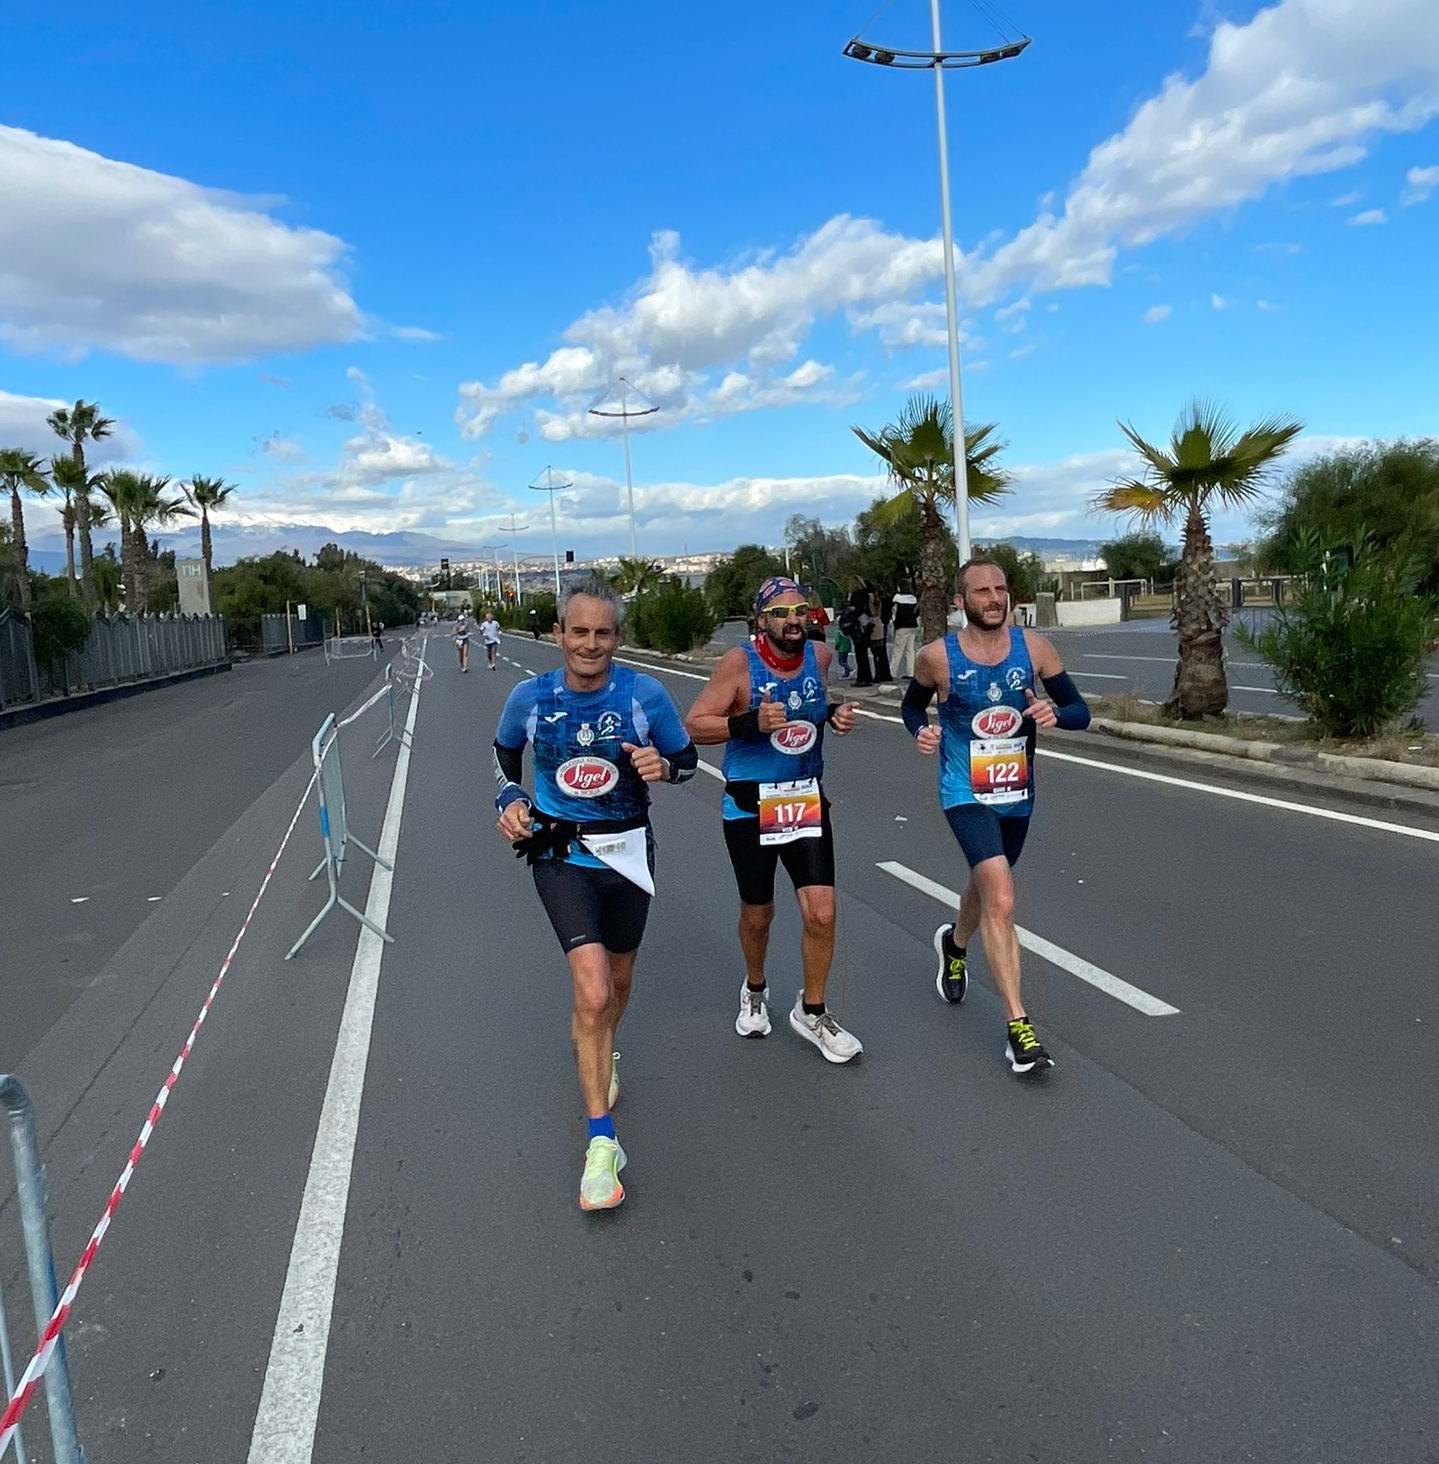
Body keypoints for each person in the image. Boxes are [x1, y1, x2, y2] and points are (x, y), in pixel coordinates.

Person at [493, 583, 698, 1211]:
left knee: (620, 981)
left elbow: (687, 759)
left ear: (617, 637)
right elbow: (504, 757)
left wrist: (666, 769)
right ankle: (602, 1145)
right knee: (593, 988)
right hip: (560, 853)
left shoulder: (645, 696)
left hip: (629, 854)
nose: (590, 644)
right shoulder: (530, 697)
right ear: (559, 634)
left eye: (602, 633)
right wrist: (509, 799)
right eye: (578, 632)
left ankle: (601, 1047)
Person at [900, 557, 1091, 1078]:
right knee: (1002, 898)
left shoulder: (1036, 649)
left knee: (989, 885)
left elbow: (1081, 712)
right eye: (981, 591)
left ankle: (954, 942)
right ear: (961, 601)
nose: (993, 598)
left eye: (1000, 589)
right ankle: (1019, 1028)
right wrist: (922, 731)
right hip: (964, 789)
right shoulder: (937, 658)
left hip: (1016, 792)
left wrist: (1056, 714)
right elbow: (913, 708)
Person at [684, 576, 863, 1063]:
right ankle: (756, 987)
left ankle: (813, 1011)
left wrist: (833, 715)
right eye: (780, 613)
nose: (792, 620)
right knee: (758, 916)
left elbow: (808, 708)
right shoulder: (740, 663)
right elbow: (694, 726)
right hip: (749, 806)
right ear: (762, 620)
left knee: (822, 912)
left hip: (805, 800)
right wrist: (748, 723)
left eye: (799, 610)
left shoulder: (819, 657)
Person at [840, 583, 872, 687]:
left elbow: (855, 610)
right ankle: (866, 677)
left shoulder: (856, 596)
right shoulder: (866, 595)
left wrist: (850, 611)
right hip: (865, 623)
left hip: (857, 626)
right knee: (863, 654)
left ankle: (862, 678)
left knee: (860, 654)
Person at [890, 579, 919, 679]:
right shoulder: (913, 598)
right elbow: (916, 612)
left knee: (898, 650)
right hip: (912, 625)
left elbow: (894, 612)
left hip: (901, 626)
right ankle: (910, 672)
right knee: (910, 650)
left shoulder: (897, 598)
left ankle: (892, 672)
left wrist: (894, 623)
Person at [867, 582, 893, 683]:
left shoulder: (873, 600)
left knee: (876, 651)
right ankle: (885, 673)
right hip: (882, 624)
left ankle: (878, 674)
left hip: (875, 624)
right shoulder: (886, 599)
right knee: (882, 651)